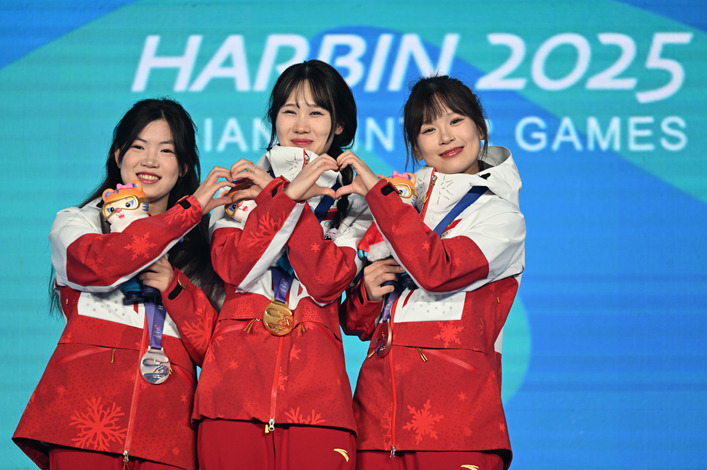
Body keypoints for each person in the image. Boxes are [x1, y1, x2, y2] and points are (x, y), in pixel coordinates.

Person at [13, 98, 234, 470]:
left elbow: (217, 353)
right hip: (82, 427)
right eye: (138, 147)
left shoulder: (202, 251)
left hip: (166, 439)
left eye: (166, 151)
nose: (150, 161)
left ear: (183, 165)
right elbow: (102, 264)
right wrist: (188, 212)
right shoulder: (77, 223)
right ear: (118, 155)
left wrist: (175, 287)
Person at [338, 75, 526, 470]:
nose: (445, 137)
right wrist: (367, 293)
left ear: (480, 126)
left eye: (456, 120)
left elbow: (437, 270)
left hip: (458, 428)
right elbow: (357, 323)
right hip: (376, 425)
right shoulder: (398, 202)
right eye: (428, 129)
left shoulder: (501, 215)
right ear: (415, 147)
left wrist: (379, 197)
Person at [194, 60, 371, 469]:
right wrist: (282, 195)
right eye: (289, 110)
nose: (301, 124)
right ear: (274, 118)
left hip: (318, 400)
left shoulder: (356, 200)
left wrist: (281, 197)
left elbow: (326, 280)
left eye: (316, 112)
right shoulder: (240, 185)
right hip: (232, 395)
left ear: (339, 125)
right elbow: (235, 268)